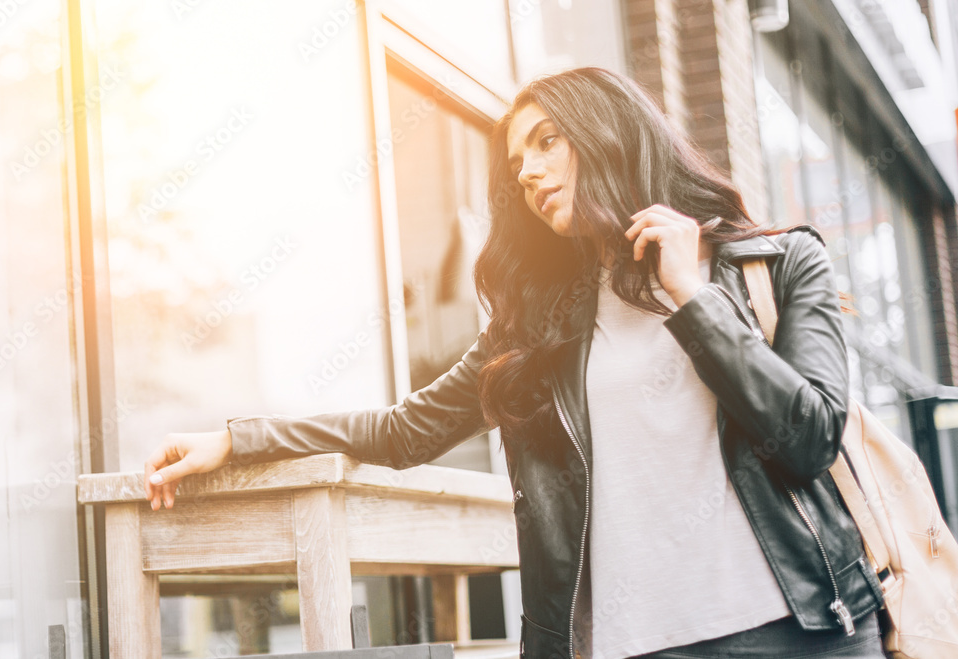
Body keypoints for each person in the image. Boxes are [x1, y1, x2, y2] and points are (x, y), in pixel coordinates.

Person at [144, 67, 887, 658]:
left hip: (799, 629)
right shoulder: (539, 325)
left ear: (608, 134)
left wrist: (693, 297)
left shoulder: (780, 264)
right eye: (516, 160)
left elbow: (808, 438)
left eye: (546, 141)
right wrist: (237, 440)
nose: (528, 172)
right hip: (635, 643)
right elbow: (404, 429)